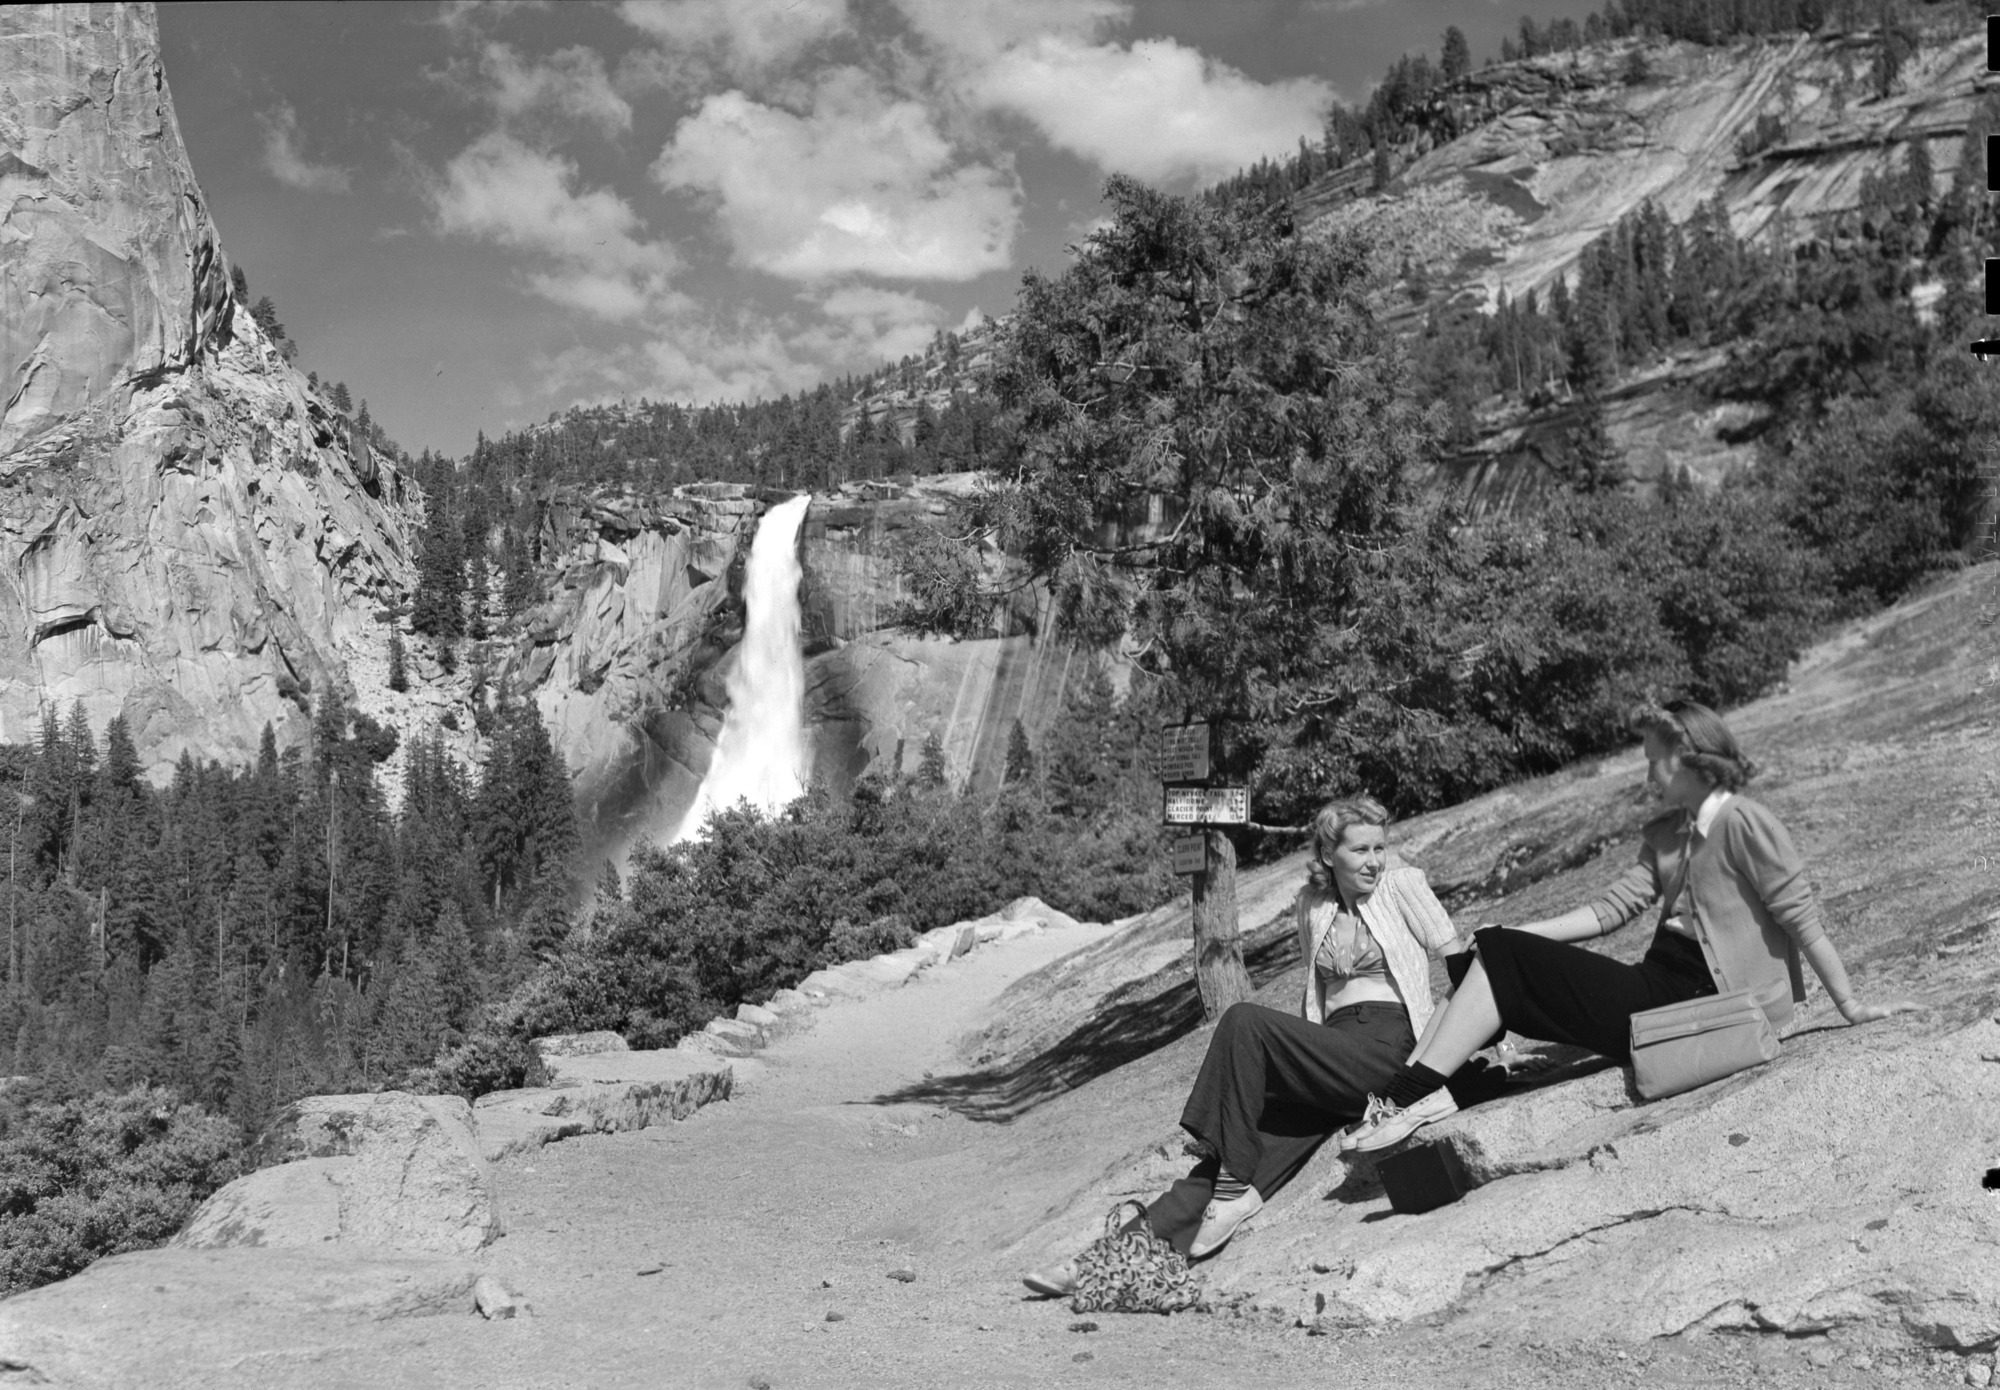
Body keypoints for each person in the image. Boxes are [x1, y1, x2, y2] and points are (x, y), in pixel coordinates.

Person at [1341, 699, 1921, 1156]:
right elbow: (1608, 911)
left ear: (1688, 754)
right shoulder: (1670, 831)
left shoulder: (1746, 822)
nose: (1647, 773)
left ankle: (1411, 1096)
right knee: (1489, 953)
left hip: (1709, 1005)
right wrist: (1513, 929)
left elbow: (1801, 917)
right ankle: (1441, 1087)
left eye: (1652, 759)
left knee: (1501, 955)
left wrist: (1850, 1006)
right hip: (1658, 988)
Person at [1023, 794, 1463, 1296]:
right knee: (1231, 1155)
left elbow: (1460, 968)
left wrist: (1474, 1052)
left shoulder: (1403, 886)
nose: (1375, 860)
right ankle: (1103, 1262)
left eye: (1380, 847)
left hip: (1389, 1051)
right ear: (1328, 855)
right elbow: (1316, 1001)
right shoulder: (1312, 906)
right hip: (1332, 1055)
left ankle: (1230, 1179)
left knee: (1243, 1021)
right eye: (1360, 850)